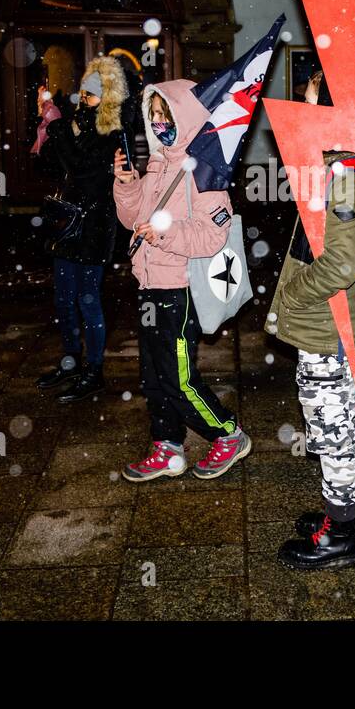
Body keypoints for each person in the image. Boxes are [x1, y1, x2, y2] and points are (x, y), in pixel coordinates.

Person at [269, 71, 355, 570]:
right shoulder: (337, 167)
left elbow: (339, 264)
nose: (303, 114)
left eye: (311, 105)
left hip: (327, 327)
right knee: (347, 425)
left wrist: (292, 294)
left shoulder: (345, 178)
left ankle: (338, 535)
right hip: (332, 326)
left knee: (333, 428)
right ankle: (352, 514)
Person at [113, 82, 251, 483]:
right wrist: (126, 185)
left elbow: (212, 234)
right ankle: (167, 445)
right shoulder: (158, 162)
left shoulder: (206, 168)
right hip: (149, 282)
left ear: (185, 116)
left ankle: (228, 434)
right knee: (152, 375)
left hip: (179, 287)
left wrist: (166, 232)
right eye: (153, 115)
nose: (158, 123)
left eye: (166, 115)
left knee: (179, 377)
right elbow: (131, 220)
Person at [36, 57, 130, 403]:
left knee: (88, 300)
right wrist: (49, 121)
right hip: (68, 221)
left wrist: (61, 129)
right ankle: (70, 360)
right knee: (63, 298)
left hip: (94, 225)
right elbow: (46, 162)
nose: (83, 100)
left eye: (90, 96)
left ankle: (93, 371)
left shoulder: (113, 131)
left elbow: (82, 170)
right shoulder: (73, 125)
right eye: (82, 94)